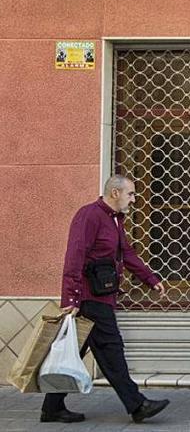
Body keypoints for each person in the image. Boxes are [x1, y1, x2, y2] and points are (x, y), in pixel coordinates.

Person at [41, 175, 170, 424]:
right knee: (112, 351)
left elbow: (128, 253)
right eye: (130, 194)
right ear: (115, 193)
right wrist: (71, 296)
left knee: (74, 351)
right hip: (90, 299)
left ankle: (52, 407)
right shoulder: (89, 216)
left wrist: (151, 279)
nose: (133, 199)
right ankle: (137, 404)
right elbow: (75, 255)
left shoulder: (114, 220)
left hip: (102, 296)